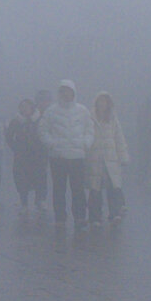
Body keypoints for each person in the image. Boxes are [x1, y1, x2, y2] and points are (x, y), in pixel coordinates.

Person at [37, 80, 95, 229]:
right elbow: (42, 130)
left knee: (78, 189)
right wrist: (52, 144)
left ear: (73, 92)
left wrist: (85, 143)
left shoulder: (82, 110)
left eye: (68, 91)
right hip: (58, 157)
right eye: (63, 91)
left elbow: (90, 129)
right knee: (59, 189)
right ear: (59, 93)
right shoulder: (51, 111)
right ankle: (60, 218)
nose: (66, 94)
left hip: (77, 156)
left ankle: (80, 217)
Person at [87, 91, 130, 227]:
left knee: (113, 188)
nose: (102, 104)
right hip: (94, 159)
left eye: (105, 101)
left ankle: (115, 213)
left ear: (109, 104)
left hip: (111, 159)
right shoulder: (89, 118)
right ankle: (95, 217)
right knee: (95, 190)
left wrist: (123, 157)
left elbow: (119, 138)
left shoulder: (113, 119)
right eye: (100, 101)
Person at [5, 98, 46, 213]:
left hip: (38, 155)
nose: (25, 109)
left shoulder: (40, 120)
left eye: (27, 106)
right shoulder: (16, 121)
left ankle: (40, 200)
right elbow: (8, 137)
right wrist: (15, 148)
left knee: (40, 177)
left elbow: (46, 133)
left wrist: (44, 148)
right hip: (21, 157)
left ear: (32, 107)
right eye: (22, 106)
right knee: (21, 179)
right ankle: (24, 204)